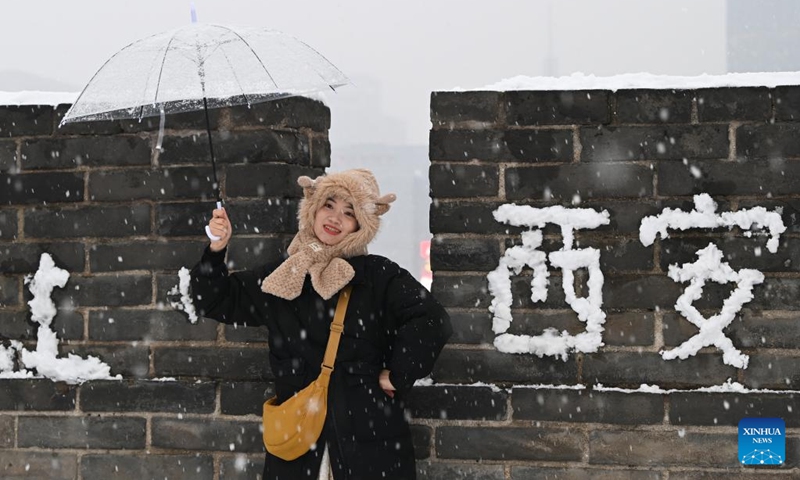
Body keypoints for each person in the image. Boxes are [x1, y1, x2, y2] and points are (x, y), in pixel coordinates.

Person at [190, 168, 452, 480]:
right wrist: (216, 249)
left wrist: (398, 374)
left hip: (368, 444)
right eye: (329, 205)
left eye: (349, 212)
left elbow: (431, 319)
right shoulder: (284, 275)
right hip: (298, 444)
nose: (335, 218)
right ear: (313, 208)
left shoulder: (378, 276)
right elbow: (215, 300)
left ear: (361, 225)